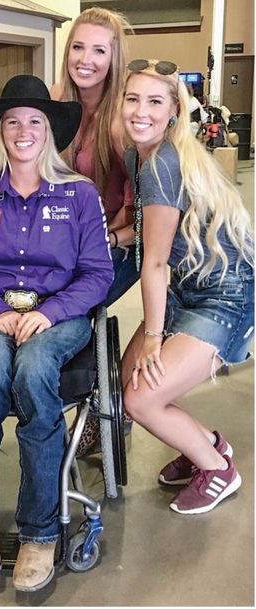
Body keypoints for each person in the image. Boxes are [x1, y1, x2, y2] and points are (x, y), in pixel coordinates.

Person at [0, 75, 113, 591]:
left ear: (48, 132)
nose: (23, 130)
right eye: (12, 121)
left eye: (34, 121)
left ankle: (40, 532)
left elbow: (99, 274)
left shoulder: (79, 196)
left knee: (36, 369)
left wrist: (52, 311)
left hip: (57, 318)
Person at [120, 59, 254, 514]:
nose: (141, 111)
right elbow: (155, 227)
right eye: (133, 98)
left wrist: (154, 338)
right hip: (190, 284)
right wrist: (115, 234)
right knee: (128, 378)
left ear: (174, 109)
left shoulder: (163, 164)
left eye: (155, 101)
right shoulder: (135, 154)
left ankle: (218, 470)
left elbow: (155, 262)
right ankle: (206, 442)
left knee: (141, 397)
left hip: (225, 294)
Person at [50, 7, 136, 455]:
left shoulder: (122, 119)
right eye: (78, 47)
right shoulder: (56, 100)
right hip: (66, 242)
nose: (86, 59)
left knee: (70, 314)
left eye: (98, 50)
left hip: (117, 244)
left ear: (113, 58)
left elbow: (148, 207)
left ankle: (102, 413)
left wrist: (112, 240)